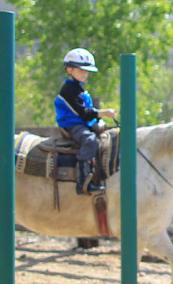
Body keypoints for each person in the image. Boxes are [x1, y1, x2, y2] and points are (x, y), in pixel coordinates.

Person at [55, 47, 117, 195]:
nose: (85, 74)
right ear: (69, 69)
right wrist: (104, 113)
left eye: (87, 71)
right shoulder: (68, 90)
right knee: (90, 141)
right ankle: (83, 181)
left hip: (82, 123)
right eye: (81, 70)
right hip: (73, 125)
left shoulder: (79, 89)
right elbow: (83, 113)